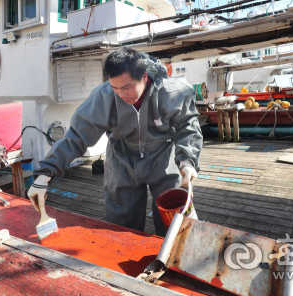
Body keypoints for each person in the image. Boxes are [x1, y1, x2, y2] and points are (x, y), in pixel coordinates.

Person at [28, 48, 203, 236]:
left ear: (144, 77)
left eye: (127, 87)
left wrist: (187, 161)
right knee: (122, 222)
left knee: (175, 219)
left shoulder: (172, 92)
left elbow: (188, 124)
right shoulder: (103, 96)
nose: (121, 94)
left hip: (162, 156)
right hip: (121, 158)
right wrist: (45, 174)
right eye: (115, 88)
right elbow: (76, 136)